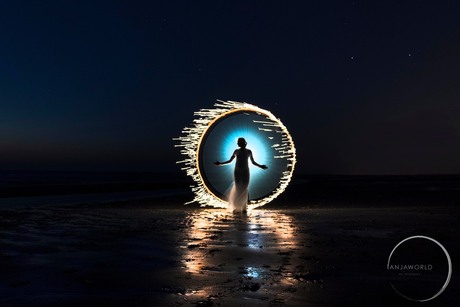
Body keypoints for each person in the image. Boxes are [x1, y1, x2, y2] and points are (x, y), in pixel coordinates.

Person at [214, 137, 267, 212]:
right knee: (238, 188)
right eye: (238, 142)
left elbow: (253, 162)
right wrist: (220, 163)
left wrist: (261, 166)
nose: (237, 143)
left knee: (244, 188)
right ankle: (237, 207)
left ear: (242, 142)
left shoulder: (249, 151)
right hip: (237, 171)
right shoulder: (236, 151)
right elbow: (230, 161)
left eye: (239, 142)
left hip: (245, 171)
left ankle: (244, 207)